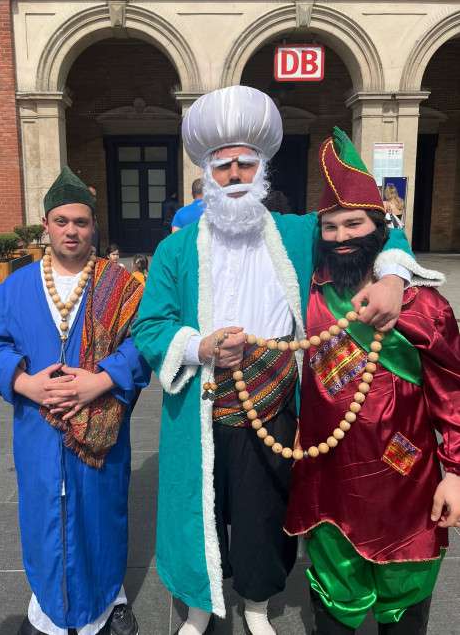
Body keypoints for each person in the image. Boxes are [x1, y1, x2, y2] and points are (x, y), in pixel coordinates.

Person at [131, 86, 441, 635]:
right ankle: (199, 607)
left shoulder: (297, 233)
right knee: (196, 509)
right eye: (222, 165)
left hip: (276, 401)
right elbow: (150, 325)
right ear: (206, 174)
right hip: (201, 402)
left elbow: (376, 231)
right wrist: (199, 346)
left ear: (262, 168)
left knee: (263, 512)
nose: (234, 175)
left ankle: (256, 605)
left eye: (245, 163)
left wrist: (394, 276)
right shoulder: (174, 250)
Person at [285, 128, 460, 634]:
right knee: (333, 595)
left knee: (404, 597)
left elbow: (453, 394)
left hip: (406, 477)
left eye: (354, 224)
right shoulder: (310, 295)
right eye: (331, 227)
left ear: (380, 228)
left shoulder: (422, 305)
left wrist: (455, 474)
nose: (342, 237)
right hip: (329, 478)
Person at [0, 166, 150, 635]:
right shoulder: (16, 286)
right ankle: (49, 603)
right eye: (62, 221)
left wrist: (101, 380)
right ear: (46, 226)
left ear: (94, 226)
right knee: (43, 513)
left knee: (102, 512)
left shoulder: (120, 285)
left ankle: (109, 599)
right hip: (37, 428)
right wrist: (24, 383)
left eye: (81, 222)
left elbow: (143, 344)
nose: (71, 230)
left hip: (102, 425)